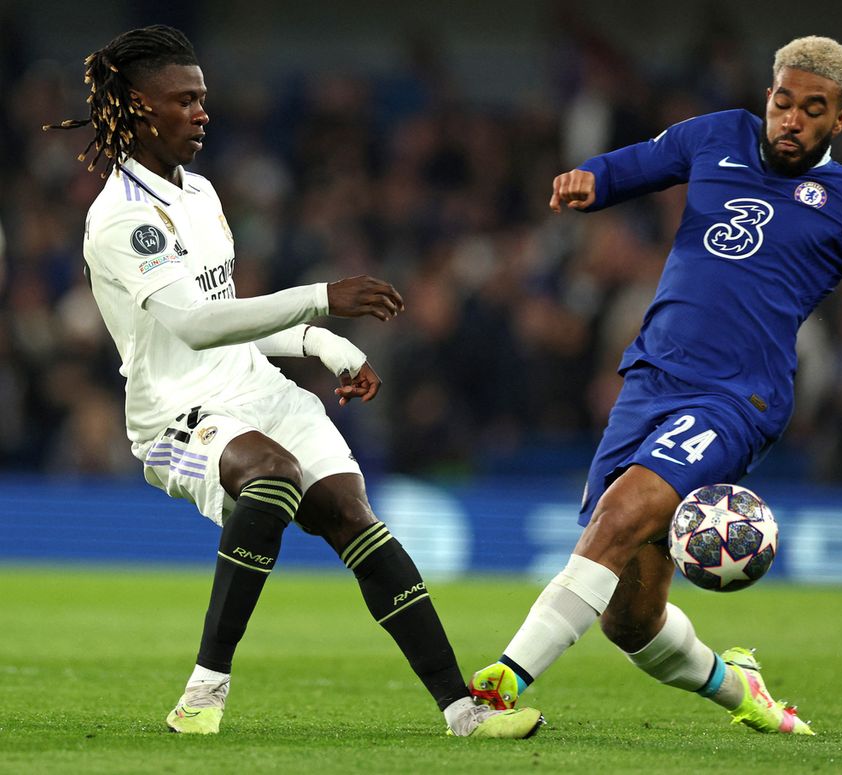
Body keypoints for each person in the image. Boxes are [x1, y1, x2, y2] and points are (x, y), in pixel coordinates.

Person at [44, 25, 542, 739]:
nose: (202, 113)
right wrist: (319, 298)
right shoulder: (121, 218)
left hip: (259, 387)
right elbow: (191, 326)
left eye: (204, 99)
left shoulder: (204, 193)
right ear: (137, 108)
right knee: (273, 476)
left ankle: (462, 713)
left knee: (350, 513)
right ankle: (204, 691)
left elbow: (230, 313)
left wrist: (320, 341)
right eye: (185, 100)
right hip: (178, 412)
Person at [469, 36, 842, 734]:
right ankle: (740, 688)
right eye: (783, 102)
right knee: (630, 619)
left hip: (738, 395)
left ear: (840, 120)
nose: (792, 120)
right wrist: (590, 181)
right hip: (650, 377)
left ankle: (503, 681)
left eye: (814, 110)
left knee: (622, 513)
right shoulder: (718, 135)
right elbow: (633, 166)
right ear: (769, 94)